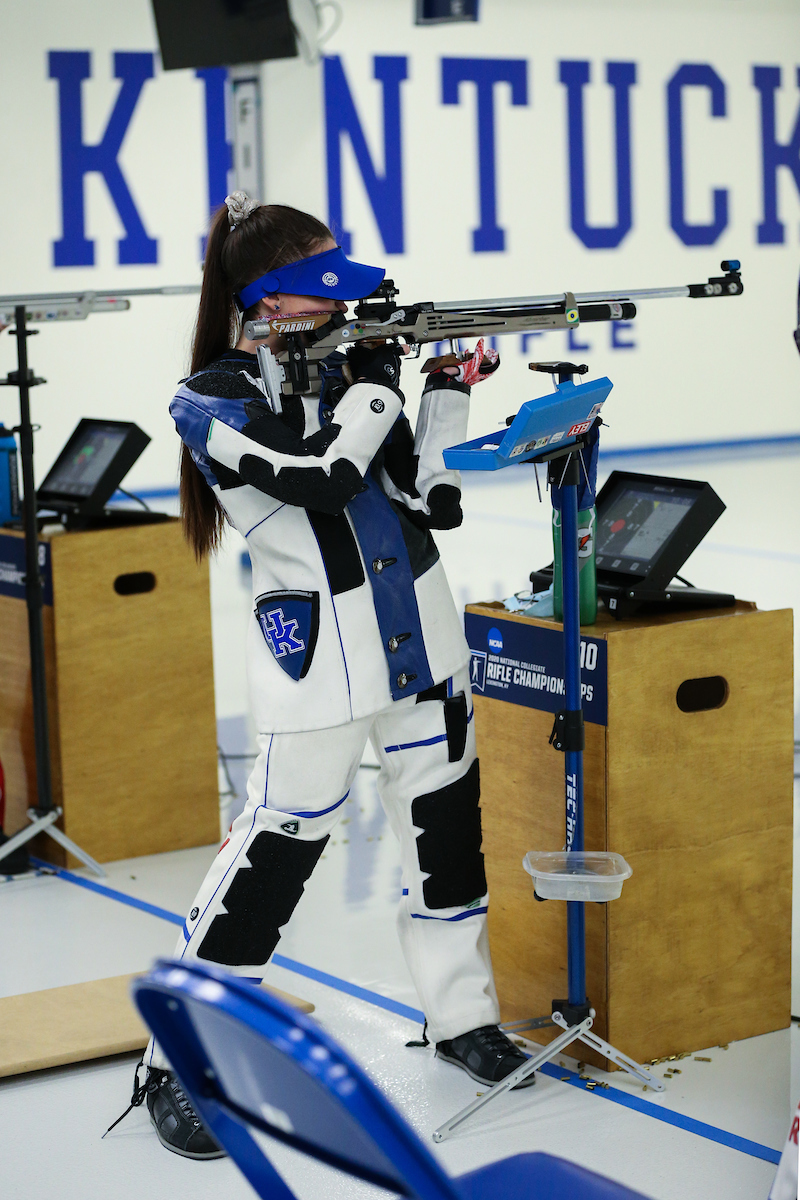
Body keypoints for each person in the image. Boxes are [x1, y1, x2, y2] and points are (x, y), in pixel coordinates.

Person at [137, 192, 534, 1159]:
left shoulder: (359, 376)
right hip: (319, 663)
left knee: (446, 839)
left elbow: (422, 496)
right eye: (324, 287)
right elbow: (317, 477)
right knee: (273, 858)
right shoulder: (210, 398)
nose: (344, 307)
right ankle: (179, 1057)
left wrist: (445, 391)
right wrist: (376, 392)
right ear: (270, 302)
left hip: (423, 645)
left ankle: (461, 1018)